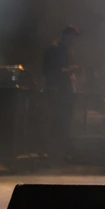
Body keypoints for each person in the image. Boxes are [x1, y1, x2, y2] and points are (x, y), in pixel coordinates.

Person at [42, 25, 79, 163]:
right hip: (58, 93)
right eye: (73, 37)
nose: (74, 40)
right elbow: (49, 71)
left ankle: (61, 153)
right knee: (58, 122)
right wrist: (69, 70)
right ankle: (54, 154)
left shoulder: (68, 51)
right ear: (66, 36)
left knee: (65, 122)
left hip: (66, 92)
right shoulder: (54, 50)